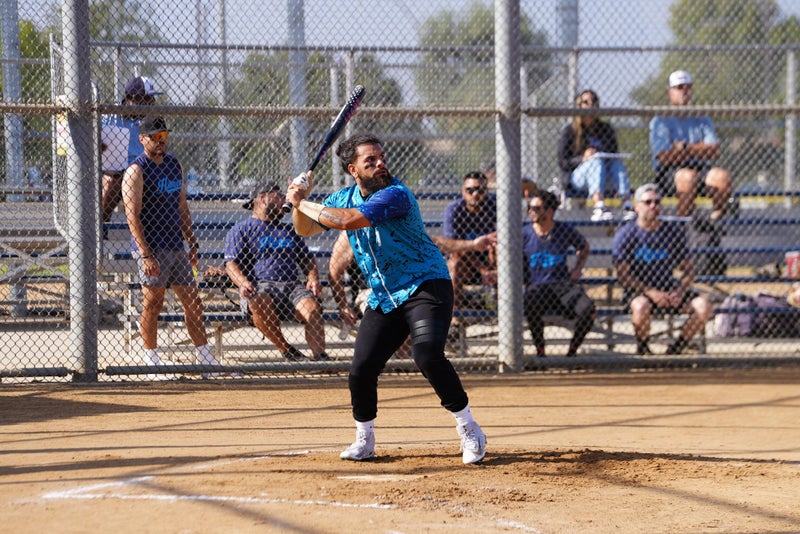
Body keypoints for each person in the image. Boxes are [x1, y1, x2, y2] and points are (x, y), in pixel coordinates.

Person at [288, 132, 487, 465]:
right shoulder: (344, 196)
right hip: (386, 295)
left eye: (382, 157)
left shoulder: (395, 194)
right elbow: (304, 228)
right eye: (371, 160)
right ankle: (364, 440)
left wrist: (301, 202)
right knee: (361, 369)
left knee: (427, 355)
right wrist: (300, 202)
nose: (381, 163)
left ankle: (469, 428)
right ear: (353, 169)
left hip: (425, 285)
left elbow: (348, 220)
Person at [121, 115, 221, 376]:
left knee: (193, 302)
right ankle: (152, 361)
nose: (161, 141)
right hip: (152, 247)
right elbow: (132, 216)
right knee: (153, 303)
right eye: (155, 137)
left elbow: (182, 206)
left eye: (164, 136)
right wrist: (145, 255)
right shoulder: (136, 171)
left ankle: (205, 359)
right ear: (142, 139)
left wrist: (192, 241)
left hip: (176, 244)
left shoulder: (174, 164)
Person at [225, 181, 329, 362]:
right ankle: (287, 351)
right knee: (258, 299)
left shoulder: (289, 230)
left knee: (312, 309)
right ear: (263, 199)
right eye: (279, 196)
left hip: (292, 287)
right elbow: (231, 264)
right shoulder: (241, 230)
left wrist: (312, 278)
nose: (284, 201)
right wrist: (243, 283)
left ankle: (320, 358)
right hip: (261, 287)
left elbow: (307, 260)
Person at [612, 183, 713, 355]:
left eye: (657, 202)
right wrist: (651, 292)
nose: (653, 206)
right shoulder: (626, 234)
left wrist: (680, 291)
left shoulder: (672, 231)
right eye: (647, 202)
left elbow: (689, 269)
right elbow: (623, 275)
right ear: (636, 207)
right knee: (641, 307)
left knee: (703, 306)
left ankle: (677, 348)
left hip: (669, 290)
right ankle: (643, 349)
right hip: (639, 291)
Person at [649, 70, 733, 220]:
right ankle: (684, 225)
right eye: (679, 88)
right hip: (669, 173)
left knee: (722, 177)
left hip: (700, 167)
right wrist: (699, 148)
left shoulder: (701, 117)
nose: (684, 91)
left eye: (688, 87)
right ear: (670, 92)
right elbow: (664, 158)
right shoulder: (661, 120)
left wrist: (685, 148)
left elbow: (714, 151)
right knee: (688, 177)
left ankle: (714, 222)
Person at [523, 190, 596, 358]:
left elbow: (584, 246)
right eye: (529, 208)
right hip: (536, 286)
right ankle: (540, 353)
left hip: (562, 286)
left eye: (536, 208)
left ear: (550, 211)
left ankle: (572, 352)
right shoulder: (524, 234)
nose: (531, 211)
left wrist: (577, 268)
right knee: (531, 304)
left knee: (588, 309)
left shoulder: (563, 230)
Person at [557, 89, 634, 222]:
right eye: (586, 102)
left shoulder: (606, 129)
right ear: (579, 106)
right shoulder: (570, 131)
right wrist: (583, 158)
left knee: (616, 163)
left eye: (594, 101)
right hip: (578, 178)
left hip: (604, 176)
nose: (591, 105)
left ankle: (627, 205)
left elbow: (613, 154)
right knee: (595, 161)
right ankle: (599, 207)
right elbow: (563, 162)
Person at [442, 171, 498, 334]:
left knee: (500, 248)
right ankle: (454, 317)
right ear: (463, 191)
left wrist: (490, 266)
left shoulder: (495, 205)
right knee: (454, 264)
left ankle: (502, 310)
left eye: (480, 190)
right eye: (470, 190)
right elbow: (454, 247)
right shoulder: (454, 210)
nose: (475, 194)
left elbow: (505, 233)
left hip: (490, 257)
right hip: (466, 262)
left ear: (487, 191)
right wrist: (483, 270)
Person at [102, 76, 162, 225]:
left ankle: (144, 231)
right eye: (149, 99)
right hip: (113, 172)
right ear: (136, 98)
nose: (153, 103)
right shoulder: (110, 117)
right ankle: (100, 227)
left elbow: (159, 151)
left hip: (142, 171)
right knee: (113, 180)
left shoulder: (151, 120)